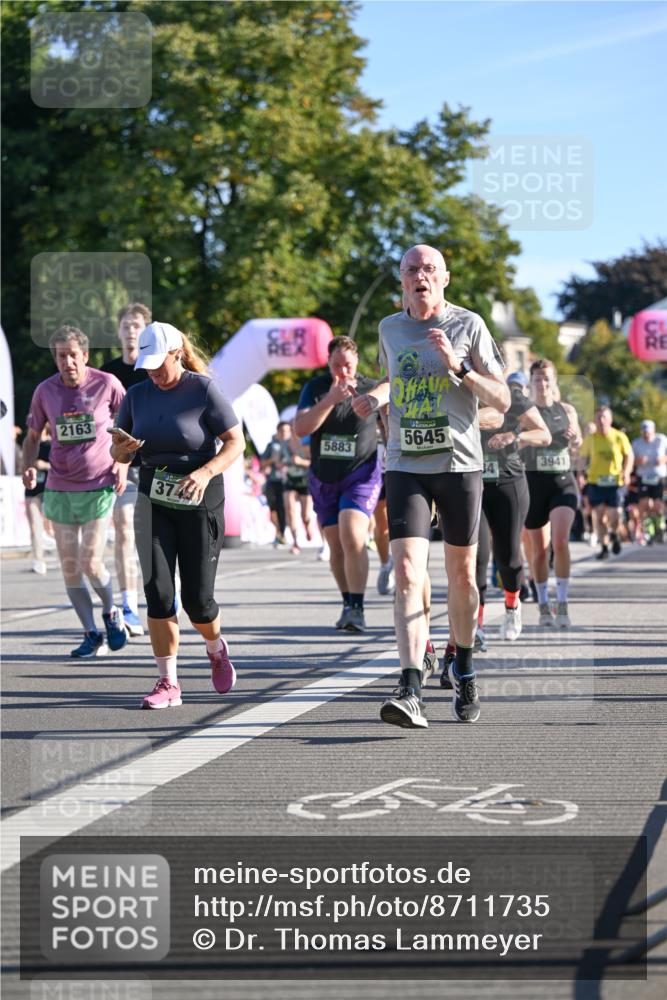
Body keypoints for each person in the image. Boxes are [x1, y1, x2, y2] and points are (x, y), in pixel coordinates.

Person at [363, 244, 509, 729]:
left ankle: (464, 666)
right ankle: (409, 687)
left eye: (429, 269)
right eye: (411, 269)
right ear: (401, 280)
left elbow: (502, 398)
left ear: (444, 279)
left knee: (462, 578)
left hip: (459, 464)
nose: (419, 275)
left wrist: (460, 369)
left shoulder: (469, 326)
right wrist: (375, 396)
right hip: (405, 462)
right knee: (406, 572)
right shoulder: (389, 328)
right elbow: (392, 379)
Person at [110, 321, 244, 709]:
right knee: (158, 593)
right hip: (153, 496)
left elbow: (236, 442)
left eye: (159, 364)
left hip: (199, 496)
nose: (153, 372)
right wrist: (123, 450)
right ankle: (167, 682)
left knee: (198, 601)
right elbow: (118, 454)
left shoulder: (202, 390)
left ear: (176, 354)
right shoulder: (136, 395)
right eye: (147, 365)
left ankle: (215, 648)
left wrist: (205, 473)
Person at [22, 326, 129, 657]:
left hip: (99, 483)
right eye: (60, 356)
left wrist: (123, 464)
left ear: (85, 355)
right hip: (59, 485)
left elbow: (131, 428)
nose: (67, 362)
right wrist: (27, 465)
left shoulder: (107, 384)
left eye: (73, 355)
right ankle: (90, 632)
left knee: (91, 561)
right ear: (55, 358)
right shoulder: (45, 391)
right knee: (69, 565)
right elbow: (32, 435)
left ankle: (112, 613)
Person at [294, 335, 383, 633]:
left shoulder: (371, 388)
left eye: (347, 364)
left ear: (356, 361)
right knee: (335, 544)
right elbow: (300, 428)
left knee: (352, 532)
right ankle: (347, 603)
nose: (342, 371)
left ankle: (357, 606)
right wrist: (330, 400)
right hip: (324, 477)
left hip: (361, 474)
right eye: (336, 365)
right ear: (328, 363)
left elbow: (390, 419)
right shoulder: (317, 388)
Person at [470, 370, 551, 646]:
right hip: (472, 482)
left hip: (508, 482)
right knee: (476, 557)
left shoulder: (514, 398)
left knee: (508, 557)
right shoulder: (461, 389)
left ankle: (512, 607)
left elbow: (544, 434)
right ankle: (476, 627)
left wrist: (515, 437)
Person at [101, 302, 151, 635]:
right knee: (123, 532)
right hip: (122, 464)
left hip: (157, 461)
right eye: (126, 325)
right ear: (118, 331)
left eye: (137, 325)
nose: (131, 330)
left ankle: (168, 586)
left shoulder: (154, 368)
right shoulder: (107, 373)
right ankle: (129, 604)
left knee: (155, 534)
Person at [524, 360, 582, 628]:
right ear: (531, 381)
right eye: (537, 378)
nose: (542, 383)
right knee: (539, 550)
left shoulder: (566, 409)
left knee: (559, 542)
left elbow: (578, 441)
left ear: (554, 381)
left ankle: (563, 602)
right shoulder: (524, 412)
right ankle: (543, 603)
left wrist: (574, 438)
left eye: (546, 378)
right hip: (534, 482)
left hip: (562, 481)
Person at [579, 405, 633, 560]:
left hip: (614, 481)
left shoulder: (619, 437)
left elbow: (629, 456)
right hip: (596, 482)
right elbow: (583, 458)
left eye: (604, 417)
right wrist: (580, 474)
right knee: (598, 515)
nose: (601, 420)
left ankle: (615, 534)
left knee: (614, 515)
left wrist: (626, 471)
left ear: (610, 420)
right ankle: (603, 547)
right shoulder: (591, 439)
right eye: (598, 418)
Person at [24, 424, 55, 574]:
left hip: (52, 489)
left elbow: (65, 465)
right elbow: (22, 465)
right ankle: (38, 560)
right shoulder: (29, 444)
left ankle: (68, 553)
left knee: (55, 527)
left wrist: (46, 465)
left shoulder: (54, 443)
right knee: (35, 526)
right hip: (32, 490)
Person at [632, 419, 667, 544]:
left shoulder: (661, 440)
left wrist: (663, 459)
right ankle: (648, 531)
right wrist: (638, 461)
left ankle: (660, 527)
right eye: (644, 432)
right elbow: (630, 461)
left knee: (657, 505)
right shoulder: (636, 443)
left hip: (658, 477)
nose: (646, 434)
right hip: (643, 477)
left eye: (648, 432)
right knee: (644, 504)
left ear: (654, 431)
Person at [260, 422, 291, 547]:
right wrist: (272, 461)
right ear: (278, 431)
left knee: (283, 509)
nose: (285, 433)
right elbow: (262, 462)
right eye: (282, 431)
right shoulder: (271, 445)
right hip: (273, 481)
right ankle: (278, 532)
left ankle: (282, 534)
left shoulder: (292, 445)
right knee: (273, 508)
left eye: (287, 431)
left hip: (287, 482)